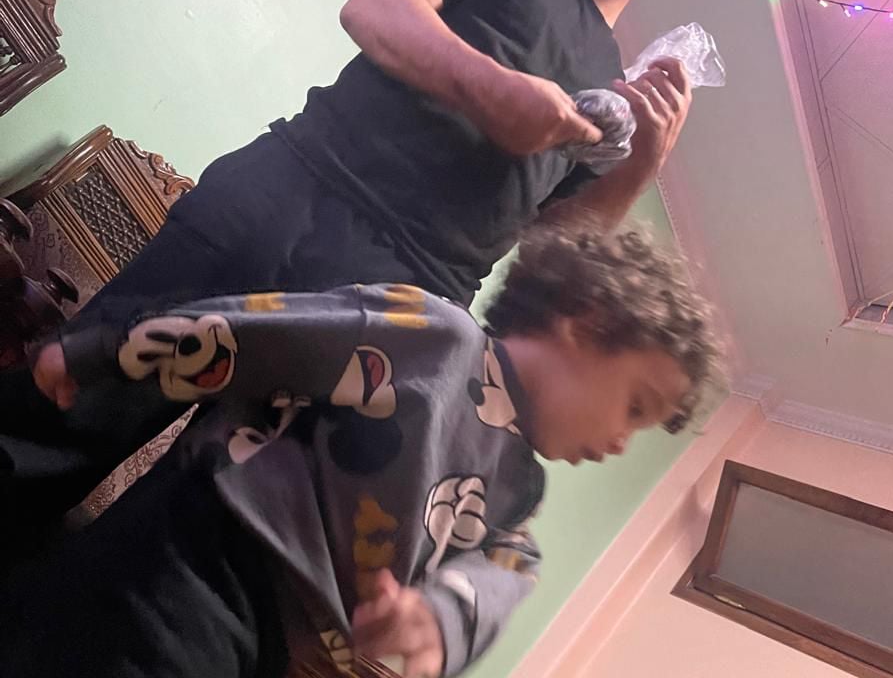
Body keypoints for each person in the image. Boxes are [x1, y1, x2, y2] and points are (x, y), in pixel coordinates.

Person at [0, 0, 709, 540]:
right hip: (293, 189)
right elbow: (376, 9)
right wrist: (494, 91)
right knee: (67, 413)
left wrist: (640, 166)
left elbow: (549, 261)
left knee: (205, 528)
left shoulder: (615, 102)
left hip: (400, 307)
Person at [4, 225, 724, 678]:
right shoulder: (437, 336)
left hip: (281, 647)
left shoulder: (517, 494)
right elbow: (263, 333)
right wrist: (107, 352)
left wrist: (433, 621)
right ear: (584, 324)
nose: (621, 442)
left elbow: (504, 575)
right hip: (200, 557)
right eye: (635, 407)